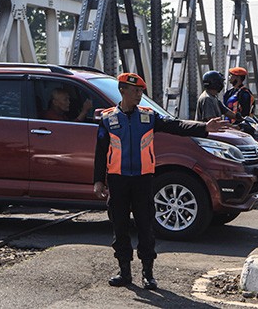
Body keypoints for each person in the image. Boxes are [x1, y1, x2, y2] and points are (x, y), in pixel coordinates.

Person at [93, 73, 230, 290]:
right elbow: (101, 153)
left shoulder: (148, 117)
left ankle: (148, 273)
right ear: (123, 90)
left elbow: (176, 126)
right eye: (136, 91)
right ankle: (124, 271)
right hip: (117, 181)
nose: (139, 95)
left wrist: (204, 128)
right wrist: (98, 181)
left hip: (143, 180)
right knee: (119, 227)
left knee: (146, 227)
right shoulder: (108, 119)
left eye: (141, 91)